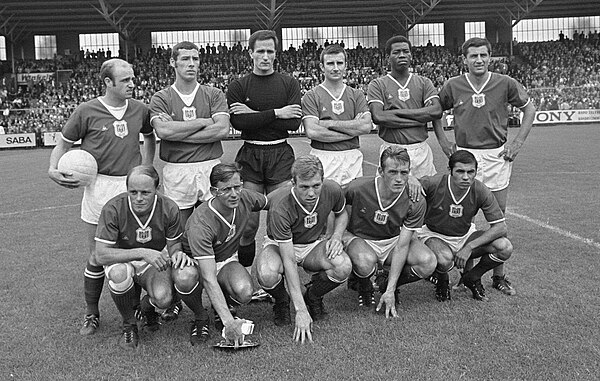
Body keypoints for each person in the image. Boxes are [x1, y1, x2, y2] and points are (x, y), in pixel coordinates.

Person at [48, 58, 156, 336]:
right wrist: (52, 168)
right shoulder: (87, 110)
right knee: (98, 255)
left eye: (133, 78)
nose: (133, 84)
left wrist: (146, 167)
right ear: (108, 83)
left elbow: (149, 137)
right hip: (98, 187)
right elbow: (64, 142)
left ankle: (137, 310)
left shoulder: (140, 109)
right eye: (126, 80)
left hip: (131, 188)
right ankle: (91, 312)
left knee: (135, 252)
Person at [435, 37, 535, 296]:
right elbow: (435, 112)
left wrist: (518, 143)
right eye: (473, 56)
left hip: (496, 156)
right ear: (464, 59)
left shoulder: (505, 83)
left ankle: (498, 276)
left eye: (483, 55)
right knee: (464, 216)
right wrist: (444, 141)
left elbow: (529, 108)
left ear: (490, 57)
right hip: (465, 157)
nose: (478, 60)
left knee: (498, 217)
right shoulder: (453, 85)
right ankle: (464, 273)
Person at [150, 41, 230, 319]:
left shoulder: (213, 93)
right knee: (178, 233)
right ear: (173, 63)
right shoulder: (161, 97)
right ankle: (181, 293)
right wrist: (201, 122)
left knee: (216, 227)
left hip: (210, 166)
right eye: (185, 59)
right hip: (176, 169)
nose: (191, 63)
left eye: (195, 59)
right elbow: (163, 131)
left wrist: (179, 131)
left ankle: (223, 295)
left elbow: (221, 128)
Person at [226, 29, 302, 284]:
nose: (265, 56)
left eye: (270, 51)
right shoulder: (239, 85)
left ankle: (280, 281)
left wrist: (255, 114)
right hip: (250, 154)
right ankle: (246, 276)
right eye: (260, 51)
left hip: (280, 153)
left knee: (281, 218)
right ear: (251, 53)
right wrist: (277, 113)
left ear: (276, 54)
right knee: (248, 224)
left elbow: (293, 124)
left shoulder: (289, 83)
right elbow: (238, 123)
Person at [256, 155, 352, 343]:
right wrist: (300, 310)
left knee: (343, 266)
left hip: (313, 244)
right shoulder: (280, 206)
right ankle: (282, 301)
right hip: (280, 245)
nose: (311, 193)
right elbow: (289, 261)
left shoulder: (332, 189)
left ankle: (313, 296)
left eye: (316, 186)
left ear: (323, 180)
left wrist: (337, 236)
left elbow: (341, 214)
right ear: (293, 182)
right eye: (304, 187)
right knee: (266, 274)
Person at [172, 163, 268, 346]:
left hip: (225, 260)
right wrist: (229, 323)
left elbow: (273, 201)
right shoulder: (201, 223)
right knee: (185, 277)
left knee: (245, 292)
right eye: (226, 189)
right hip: (195, 263)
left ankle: (222, 307)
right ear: (213, 191)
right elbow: (208, 277)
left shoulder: (245, 198)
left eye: (237, 187)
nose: (234, 194)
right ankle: (200, 316)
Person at [94, 166, 188, 349]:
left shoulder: (169, 207)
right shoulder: (113, 208)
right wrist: (143, 252)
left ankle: (147, 305)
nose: (138, 198)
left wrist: (177, 255)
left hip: (154, 262)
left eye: (145, 192)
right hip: (121, 259)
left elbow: (175, 246)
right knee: (119, 274)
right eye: (133, 192)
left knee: (164, 299)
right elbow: (101, 255)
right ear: (126, 188)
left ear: (157, 189)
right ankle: (129, 325)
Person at [342, 146, 435, 315]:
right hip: (361, 239)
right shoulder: (358, 187)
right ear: (380, 171)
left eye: (404, 173)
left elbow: (402, 246)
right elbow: (335, 206)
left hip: (393, 240)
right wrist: (337, 235)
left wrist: (390, 289)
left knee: (427, 262)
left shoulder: (416, 199)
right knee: (364, 263)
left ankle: (388, 284)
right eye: (393, 172)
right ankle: (363, 284)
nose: (399, 179)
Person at [418, 151, 513, 302]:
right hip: (434, 234)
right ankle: (442, 279)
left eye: (470, 172)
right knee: (444, 259)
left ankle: (472, 277)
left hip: (464, 236)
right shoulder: (434, 183)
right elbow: (412, 184)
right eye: (460, 171)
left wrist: (469, 247)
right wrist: (410, 180)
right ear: (450, 171)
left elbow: (501, 227)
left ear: (476, 172)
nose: (465, 177)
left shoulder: (480, 189)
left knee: (504, 247)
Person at [367, 35, 442, 178]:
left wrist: (395, 115)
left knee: (424, 196)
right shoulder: (377, 84)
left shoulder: (424, 82)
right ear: (388, 57)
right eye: (396, 52)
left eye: (406, 51)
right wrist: (421, 118)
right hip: (391, 151)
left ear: (411, 55)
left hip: (420, 150)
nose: (402, 55)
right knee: (390, 197)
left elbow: (437, 111)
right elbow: (378, 116)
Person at [301, 44, 373, 187]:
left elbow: (366, 126)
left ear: (345, 65)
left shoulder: (356, 94)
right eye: (330, 63)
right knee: (326, 206)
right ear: (322, 67)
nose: (335, 68)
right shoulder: (311, 95)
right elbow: (313, 131)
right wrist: (352, 129)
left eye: (339, 63)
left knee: (352, 205)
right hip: (322, 156)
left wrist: (328, 123)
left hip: (352, 156)